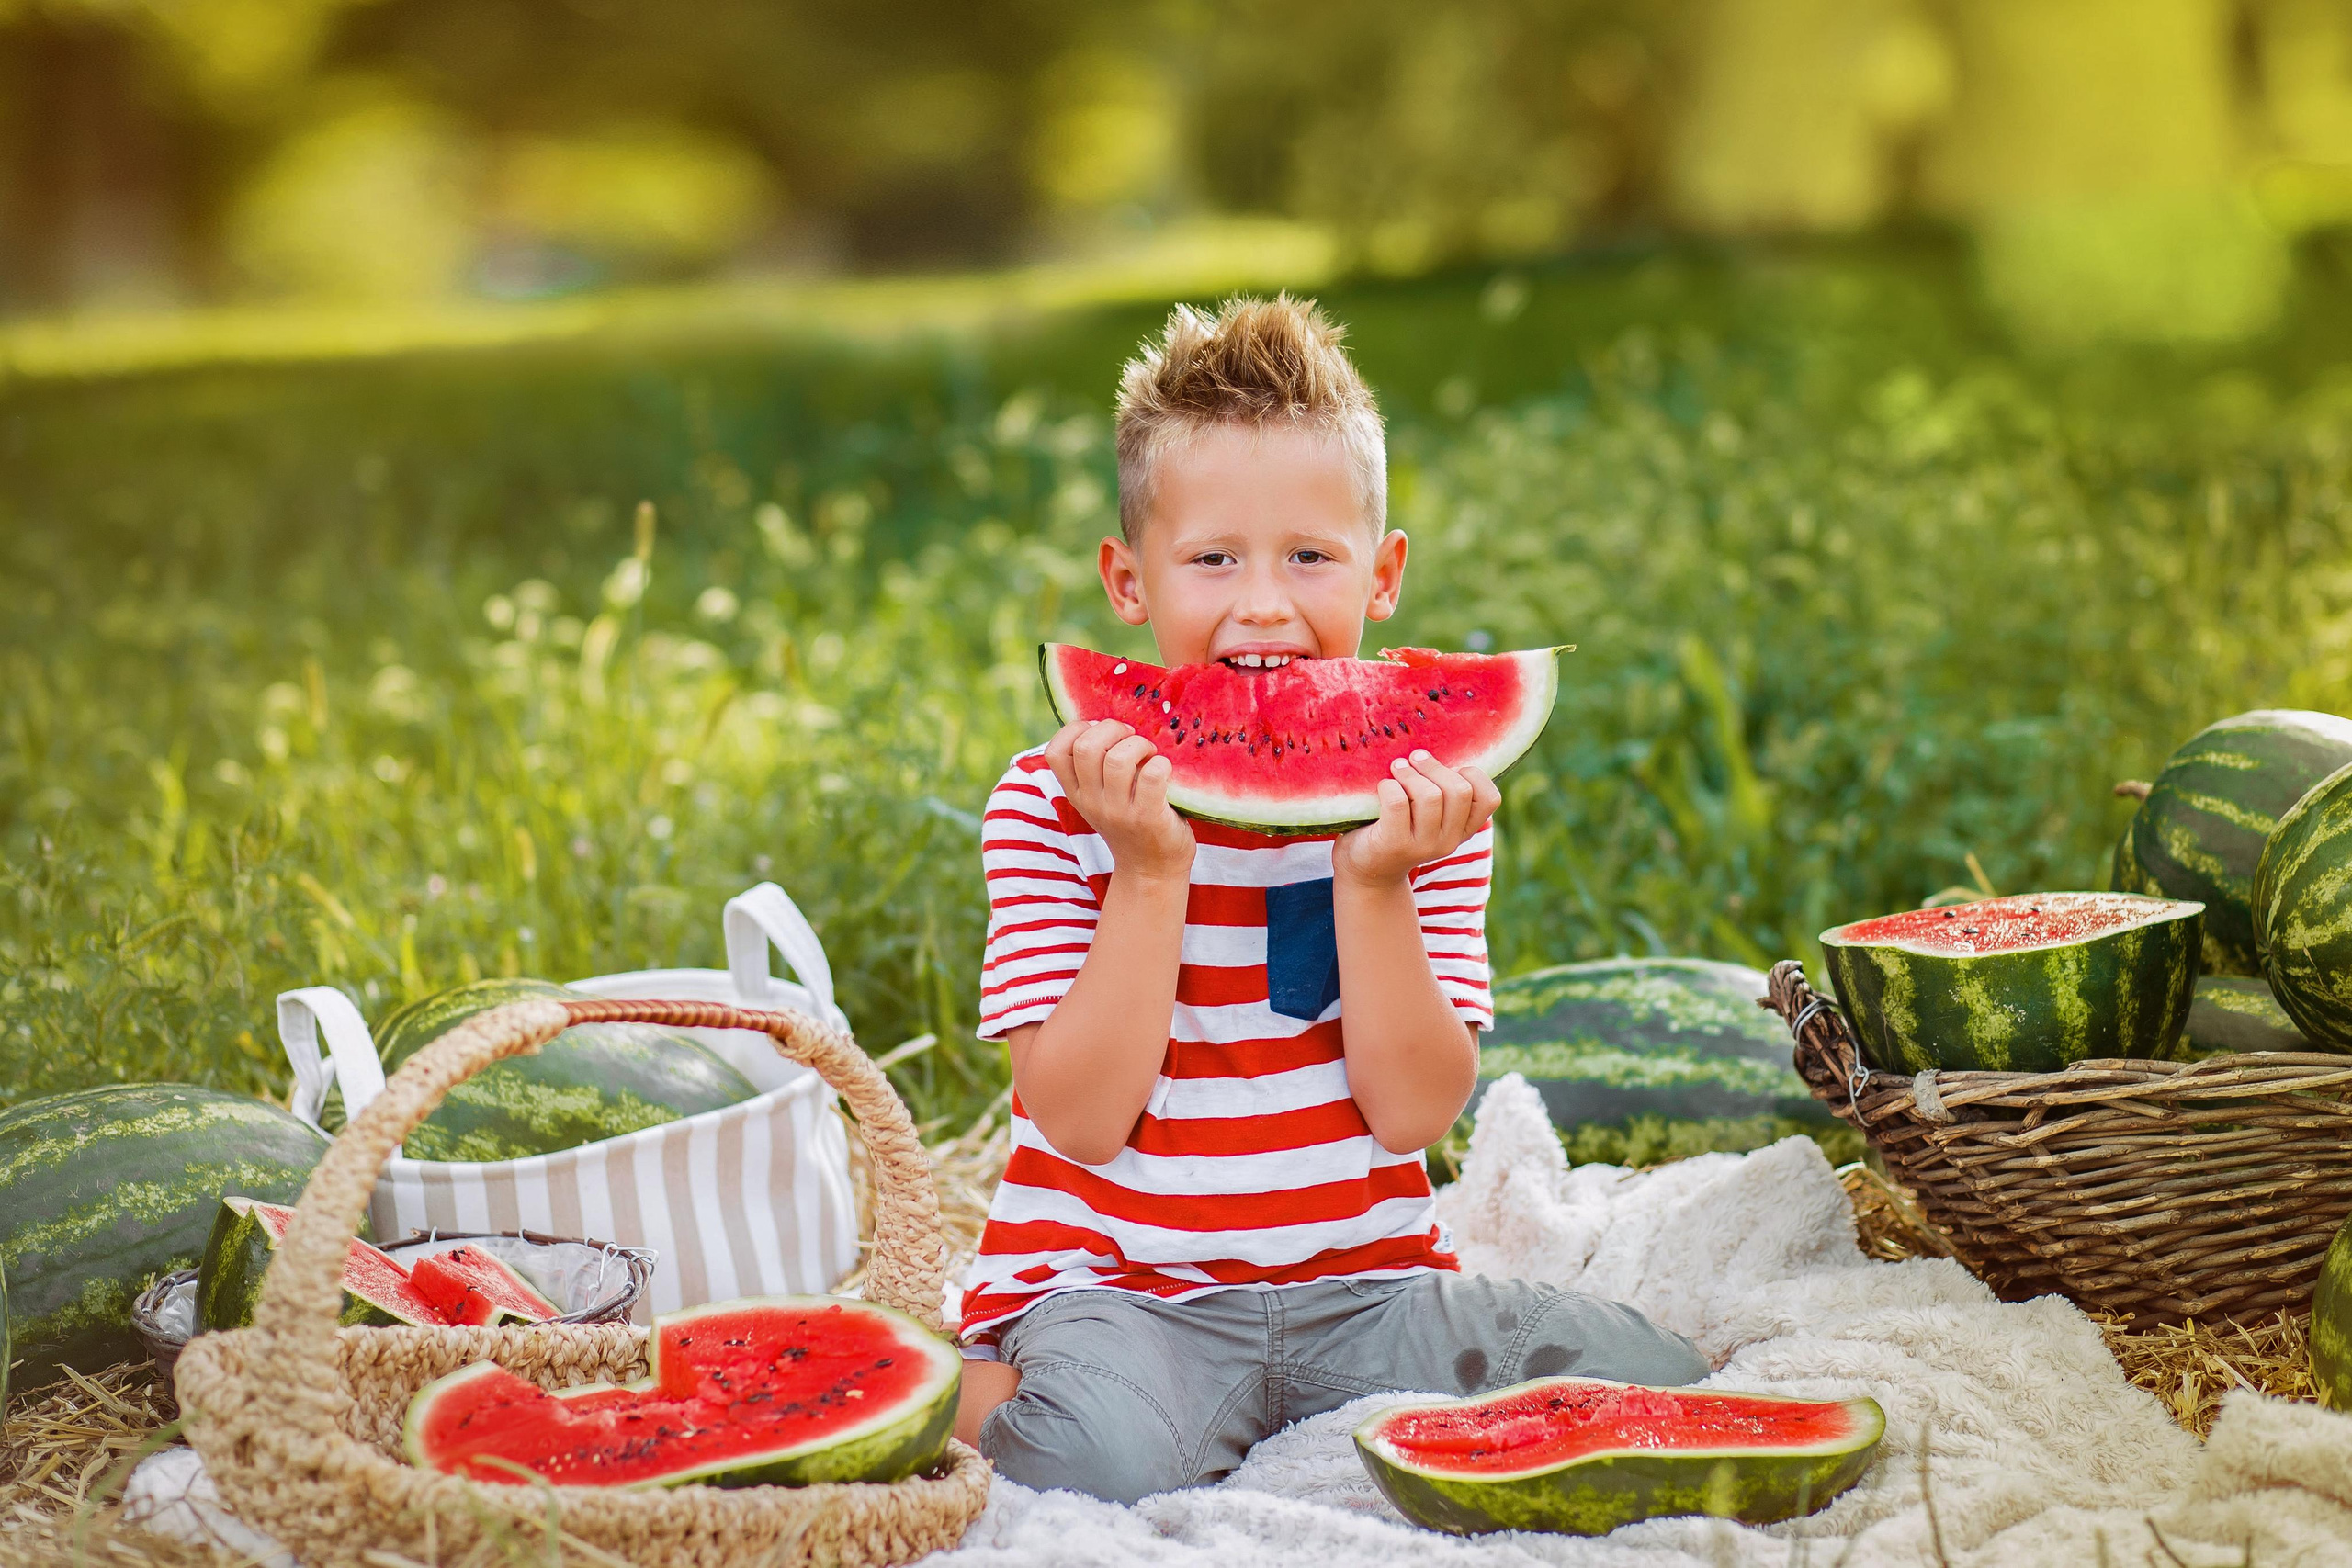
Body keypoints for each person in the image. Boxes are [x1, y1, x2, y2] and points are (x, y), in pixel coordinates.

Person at [952, 295, 1705, 1503]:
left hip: (1369, 1295)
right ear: (1127, 580)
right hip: (1127, 1298)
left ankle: (1232, 1422)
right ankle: (966, 1384)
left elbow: (1413, 1113)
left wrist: (1376, 879)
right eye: (1212, 559)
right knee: (1094, 1455)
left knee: (1648, 1374)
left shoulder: (1423, 803)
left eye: (1309, 555)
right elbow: (1080, 1120)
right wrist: (1148, 872)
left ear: (1385, 572)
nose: (1263, 602)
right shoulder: (1050, 803)